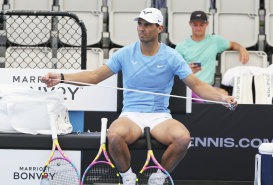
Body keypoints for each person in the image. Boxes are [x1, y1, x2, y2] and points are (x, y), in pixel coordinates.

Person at [41, 8, 237, 185]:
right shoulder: (124, 54)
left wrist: (221, 98)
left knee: (183, 138)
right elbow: (93, 76)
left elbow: (196, 84)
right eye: (140, 24)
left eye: (148, 25)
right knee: (115, 136)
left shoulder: (172, 56)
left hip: (160, 116)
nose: (142, 28)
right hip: (131, 115)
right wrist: (61, 77)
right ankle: (127, 177)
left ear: (159, 28)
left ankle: (158, 177)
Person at [175, 10, 250, 102]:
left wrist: (241, 48)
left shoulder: (215, 41)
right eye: (195, 25)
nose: (198, 28)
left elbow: (232, 44)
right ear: (190, 24)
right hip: (189, 87)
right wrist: (187, 70)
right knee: (212, 97)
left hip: (207, 87)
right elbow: (173, 71)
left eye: (201, 25)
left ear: (207, 24)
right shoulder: (181, 46)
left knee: (224, 95)